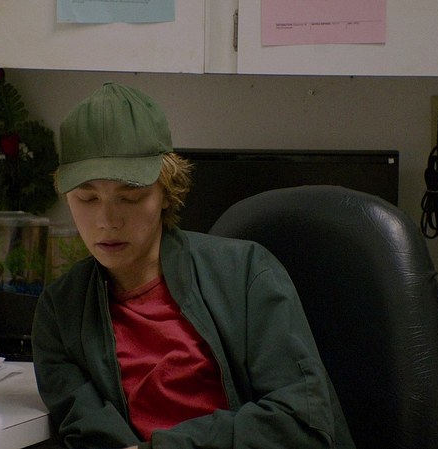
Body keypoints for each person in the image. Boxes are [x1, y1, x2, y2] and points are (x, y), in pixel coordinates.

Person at [31, 82, 355, 449]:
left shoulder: (247, 273)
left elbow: (301, 423)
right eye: (87, 198)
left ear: (166, 193)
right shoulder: (60, 313)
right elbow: (91, 435)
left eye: (130, 197)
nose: (107, 220)